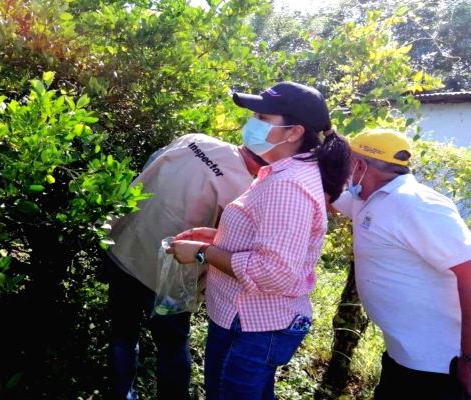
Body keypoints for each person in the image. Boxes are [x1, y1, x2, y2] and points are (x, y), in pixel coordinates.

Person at [167, 81, 351, 399]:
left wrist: (203, 253)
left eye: (264, 119)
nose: (252, 124)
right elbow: (267, 238)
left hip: (250, 325)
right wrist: (220, 237)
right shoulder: (283, 173)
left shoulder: (288, 185)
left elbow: (275, 272)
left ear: (294, 133)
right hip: (247, 320)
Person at [104, 129, 269, 399]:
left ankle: (121, 394)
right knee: (171, 346)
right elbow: (227, 245)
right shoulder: (245, 190)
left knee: (123, 335)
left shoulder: (195, 140)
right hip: (169, 279)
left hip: (125, 249)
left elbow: (149, 171)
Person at [330, 128, 471, 399]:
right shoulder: (368, 199)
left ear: (359, 165)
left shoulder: (416, 204)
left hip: (440, 367)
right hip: (404, 357)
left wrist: (469, 358)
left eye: (348, 164)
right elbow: (332, 198)